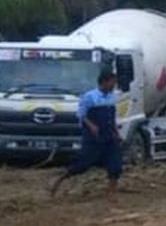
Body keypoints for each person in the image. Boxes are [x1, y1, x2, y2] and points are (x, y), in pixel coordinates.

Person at [49, 69, 122, 199]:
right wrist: (91, 125)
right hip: (94, 137)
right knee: (82, 164)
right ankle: (59, 180)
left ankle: (111, 193)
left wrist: (116, 132)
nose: (114, 86)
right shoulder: (90, 96)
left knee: (115, 164)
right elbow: (81, 114)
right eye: (112, 83)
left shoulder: (112, 96)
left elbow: (112, 116)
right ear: (104, 82)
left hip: (109, 135)